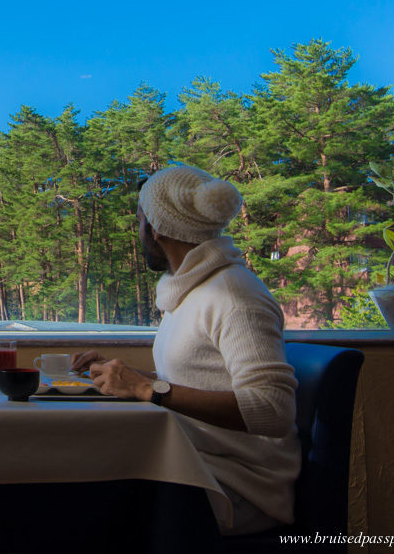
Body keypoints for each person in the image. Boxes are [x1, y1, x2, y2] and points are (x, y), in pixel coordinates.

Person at [72, 166, 300, 536]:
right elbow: (200, 381)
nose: (138, 230)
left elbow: (273, 409)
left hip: (238, 488)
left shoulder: (233, 296)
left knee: (78, 501)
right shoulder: (192, 291)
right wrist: (130, 377)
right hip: (192, 464)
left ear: (156, 227)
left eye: (139, 219)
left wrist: (148, 390)